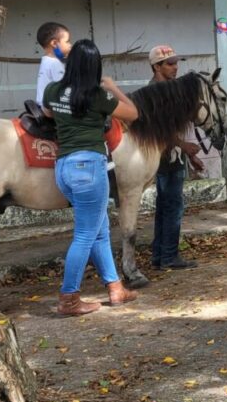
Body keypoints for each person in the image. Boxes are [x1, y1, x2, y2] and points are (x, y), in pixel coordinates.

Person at [42, 40, 139, 315]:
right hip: (89, 167)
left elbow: (48, 112)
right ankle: (69, 297)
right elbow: (133, 113)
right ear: (94, 66)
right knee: (85, 234)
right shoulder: (97, 95)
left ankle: (115, 288)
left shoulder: (52, 90)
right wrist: (113, 88)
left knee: (99, 230)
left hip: (63, 168)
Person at [148, 45, 203, 270]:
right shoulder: (154, 92)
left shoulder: (170, 89)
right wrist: (185, 147)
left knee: (166, 206)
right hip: (165, 158)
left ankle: (160, 256)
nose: (175, 67)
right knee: (172, 206)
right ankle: (169, 257)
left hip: (174, 156)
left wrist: (187, 155)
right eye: (169, 64)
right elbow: (160, 129)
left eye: (176, 62)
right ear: (156, 67)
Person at [35, 22, 72, 108]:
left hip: (42, 106)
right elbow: (65, 90)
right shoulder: (55, 63)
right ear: (54, 43)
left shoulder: (46, 60)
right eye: (67, 41)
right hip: (50, 109)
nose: (70, 45)